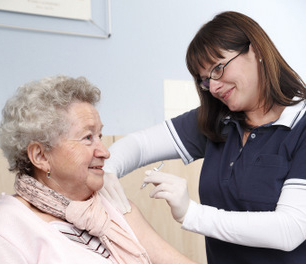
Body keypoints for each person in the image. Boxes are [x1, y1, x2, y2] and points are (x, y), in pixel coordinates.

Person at [101, 11, 306, 264]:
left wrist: (191, 213)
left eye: (218, 69)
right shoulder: (219, 121)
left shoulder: (301, 126)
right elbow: (139, 146)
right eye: (205, 80)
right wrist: (107, 171)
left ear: (256, 51)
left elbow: (290, 229)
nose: (214, 87)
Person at [0, 75, 199, 264]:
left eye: (99, 135)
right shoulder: (4, 230)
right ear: (40, 156)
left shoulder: (111, 205)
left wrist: (193, 214)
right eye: (88, 138)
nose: (105, 152)